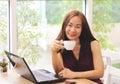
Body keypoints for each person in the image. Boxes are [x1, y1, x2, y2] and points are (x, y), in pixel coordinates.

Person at [51, 10, 104, 84]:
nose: (73, 30)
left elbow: (100, 73)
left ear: (82, 29)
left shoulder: (93, 44)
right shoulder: (61, 45)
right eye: (70, 25)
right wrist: (53, 52)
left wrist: (74, 75)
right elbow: (60, 72)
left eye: (78, 27)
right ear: (64, 26)